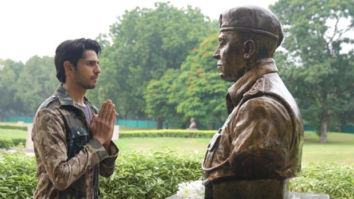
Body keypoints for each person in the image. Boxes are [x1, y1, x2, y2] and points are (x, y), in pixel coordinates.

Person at [202, 6, 304, 199]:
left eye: (223, 43)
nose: (216, 53)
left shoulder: (260, 106)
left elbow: (252, 175)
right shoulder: (255, 97)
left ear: (248, 49)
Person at [31, 38, 119, 199]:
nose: (98, 70)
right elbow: (61, 178)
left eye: (97, 63)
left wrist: (106, 141)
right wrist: (98, 141)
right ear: (69, 67)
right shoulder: (51, 113)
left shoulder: (92, 111)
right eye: (90, 64)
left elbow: (106, 172)